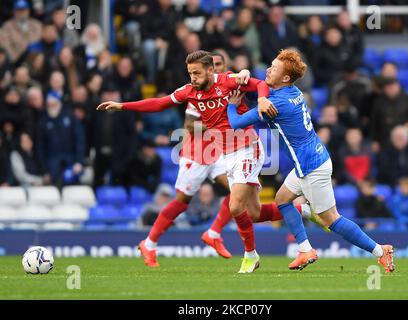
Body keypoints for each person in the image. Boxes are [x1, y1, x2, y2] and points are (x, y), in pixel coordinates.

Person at [97, 51, 317, 273]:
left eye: (197, 73)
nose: (193, 77)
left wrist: (261, 99)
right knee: (253, 213)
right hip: (225, 154)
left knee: (234, 205)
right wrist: (123, 106)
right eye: (190, 73)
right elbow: (159, 103)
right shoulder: (189, 92)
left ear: (211, 70)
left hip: (247, 148)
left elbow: (261, 84)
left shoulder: (229, 82)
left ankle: (249, 255)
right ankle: (302, 210)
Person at [226, 49, 395, 273]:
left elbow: (235, 123)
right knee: (282, 199)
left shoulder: (276, 104)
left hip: (310, 166)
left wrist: (231, 103)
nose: (268, 69)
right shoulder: (292, 91)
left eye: (274, 68)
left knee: (331, 220)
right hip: (311, 159)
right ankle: (305, 247)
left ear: (285, 77)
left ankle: (380, 251)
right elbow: (261, 89)